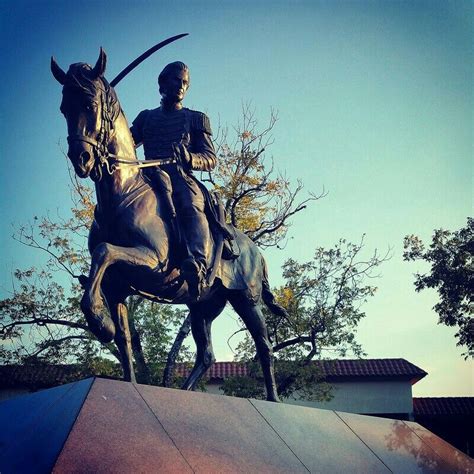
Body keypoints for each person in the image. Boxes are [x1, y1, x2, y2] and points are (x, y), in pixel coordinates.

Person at [130, 61, 216, 298]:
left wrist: (189, 159)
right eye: (176, 80)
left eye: (185, 82)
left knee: (190, 203)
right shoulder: (146, 118)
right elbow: (126, 144)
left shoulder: (196, 119)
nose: (181, 86)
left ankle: (198, 264)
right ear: (162, 83)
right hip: (148, 177)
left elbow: (210, 158)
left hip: (180, 177)